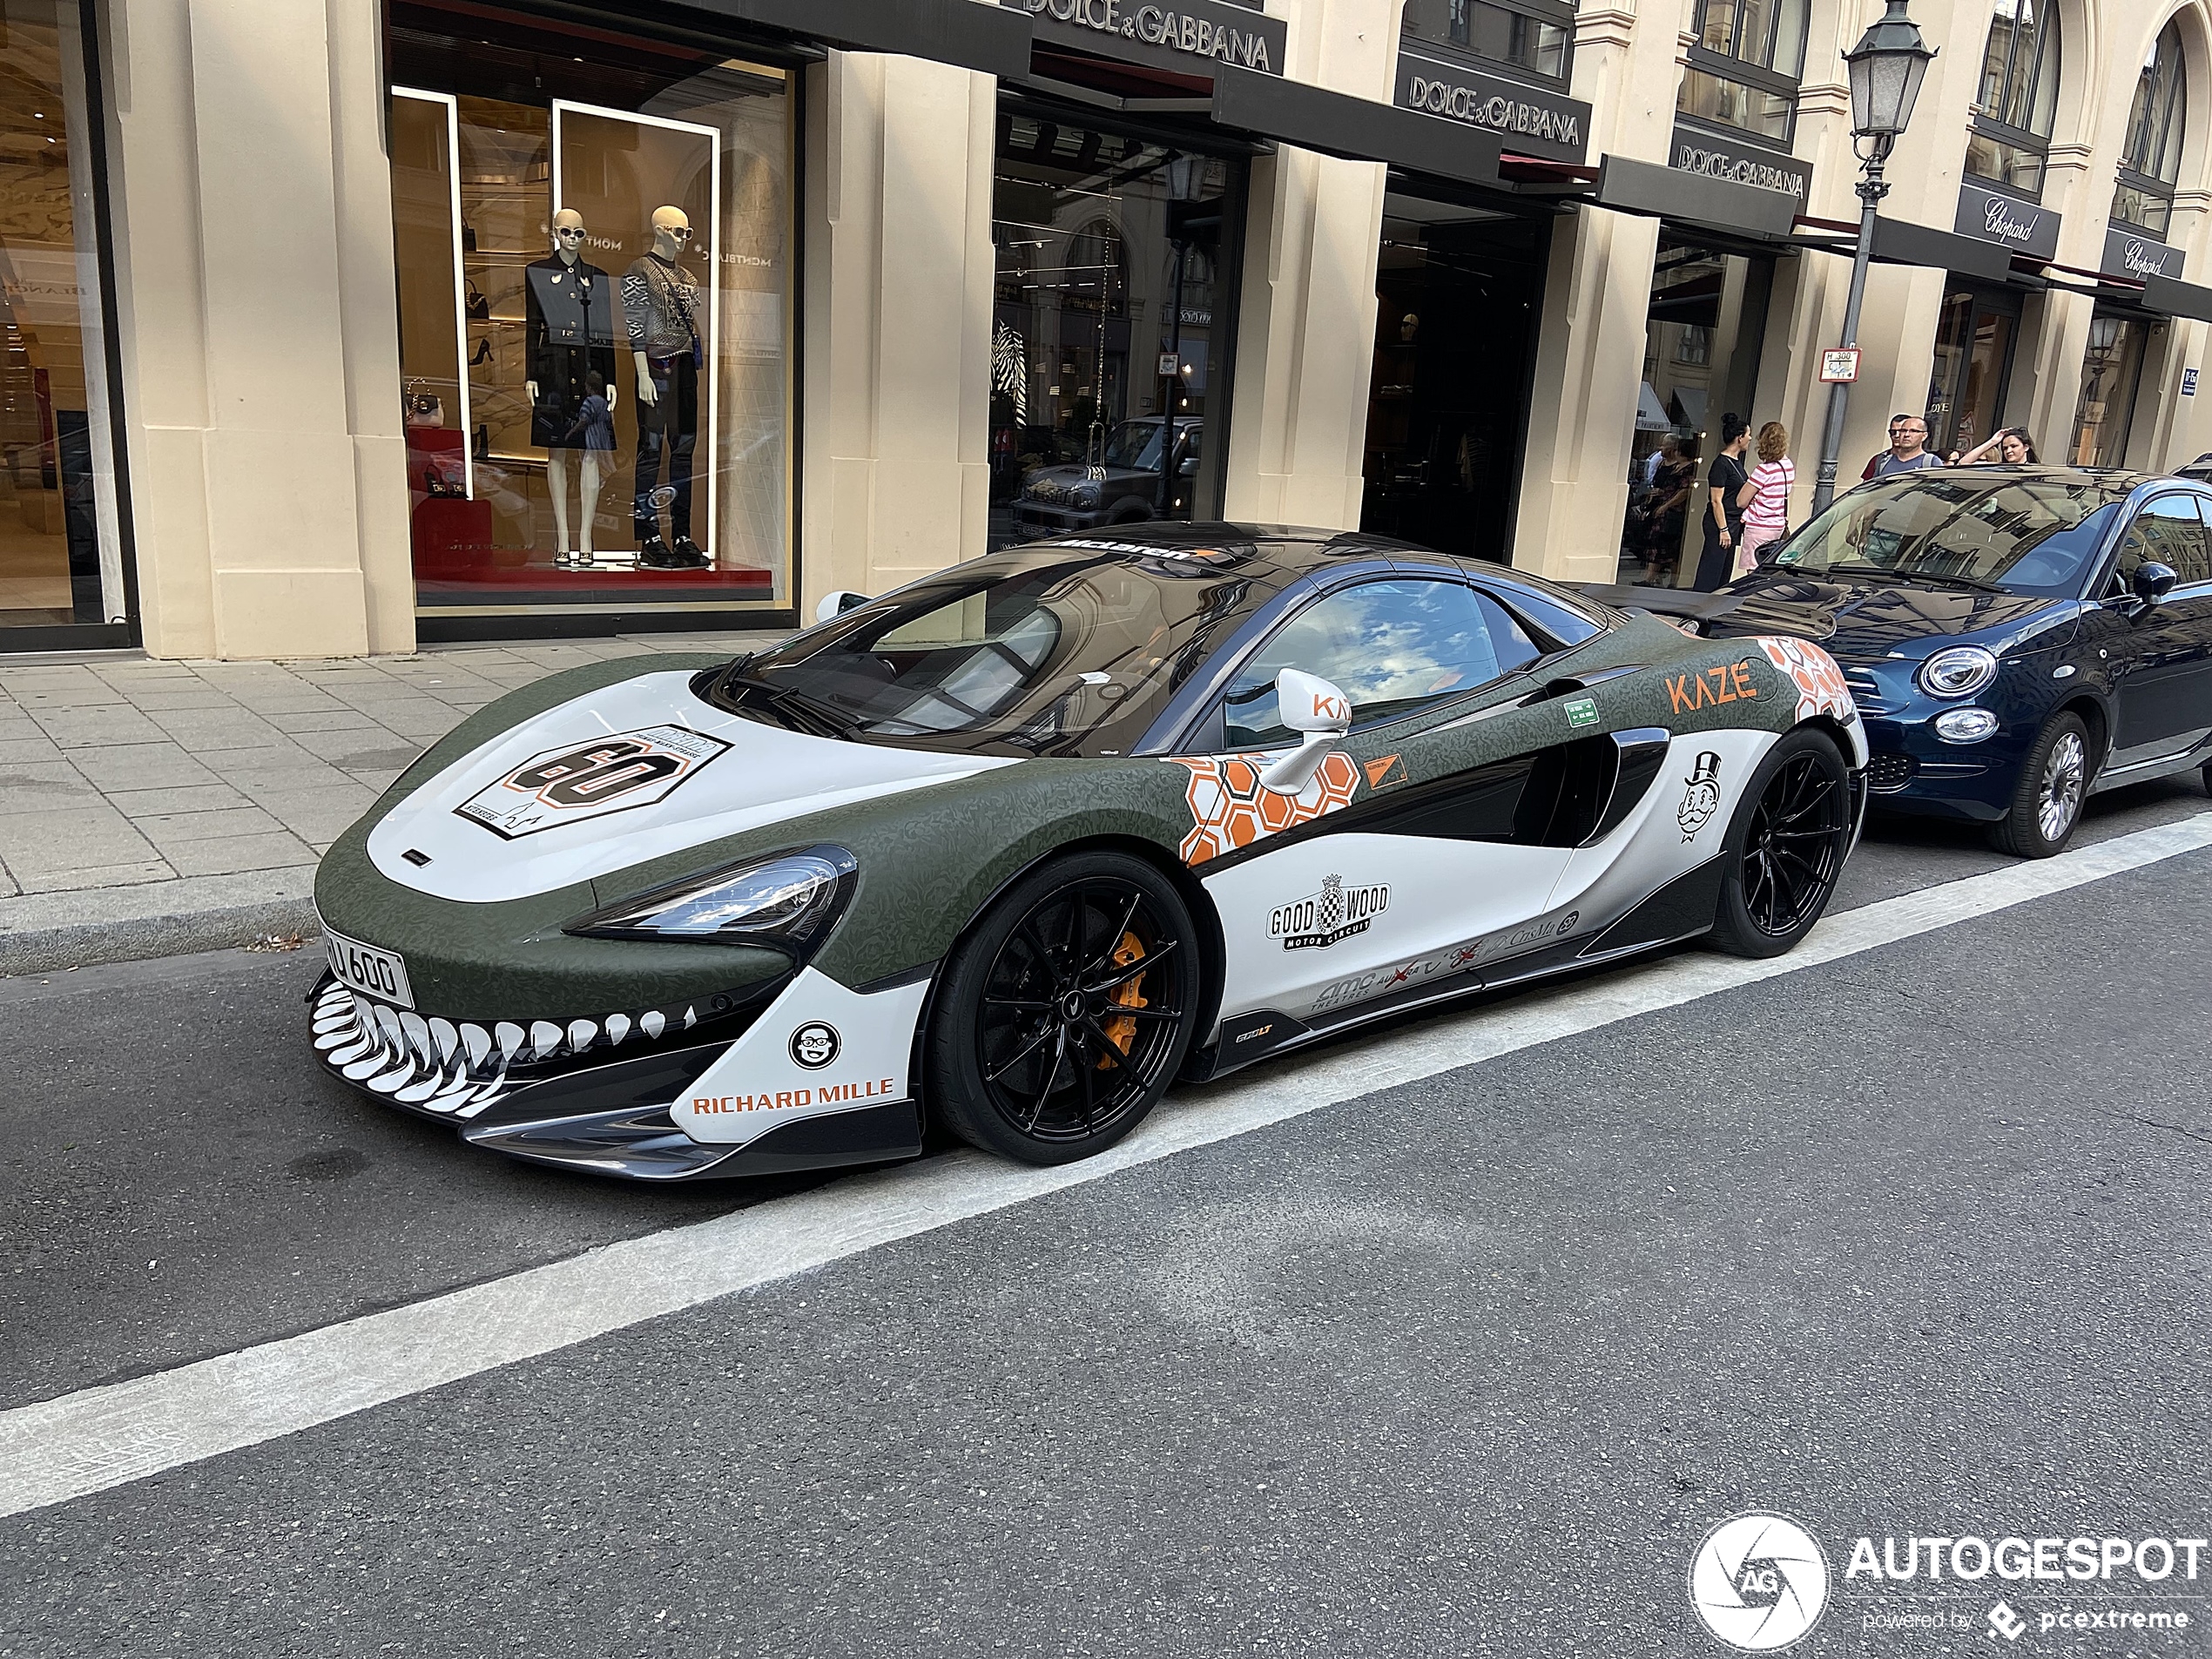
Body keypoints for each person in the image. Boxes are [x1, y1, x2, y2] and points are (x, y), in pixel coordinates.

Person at [1695, 415, 1753, 590]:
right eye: (1748, 434)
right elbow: (1716, 500)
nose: (1750, 438)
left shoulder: (1736, 463)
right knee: (1711, 569)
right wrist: (1723, 529)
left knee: (1724, 571)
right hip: (1720, 523)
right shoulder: (1721, 464)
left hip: (1732, 523)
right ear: (1739, 438)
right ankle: (1699, 603)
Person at [1737, 421, 1795, 577]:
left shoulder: (1763, 471)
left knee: (1755, 572)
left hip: (1759, 527)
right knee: (1771, 571)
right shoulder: (1788, 466)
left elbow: (1741, 501)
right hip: (1778, 526)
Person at [1640, 439, 1695, 585]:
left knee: (1672, 548)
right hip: (1662, 506)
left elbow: (1684, 491)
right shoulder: (1675, 467)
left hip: (1674, 511)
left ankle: (1674, 581)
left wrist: (1667, 505)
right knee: (1657, 544)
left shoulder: (1689, 469)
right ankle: (1650, 577)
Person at [1860, 413, 1947, 480]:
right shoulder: (1883, 462)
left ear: (1924, 436)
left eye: (1913, 431)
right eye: (1903, 430)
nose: (1906, 435)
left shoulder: (1931, 463)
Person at [1950, 426, 2039, 466]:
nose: (2008, 451)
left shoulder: (2036, 472)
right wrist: (1992, 441)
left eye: (2014, 446)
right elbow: (1963, 463)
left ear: (2026, 447)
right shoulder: (1999, 468)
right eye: (2005, 448)